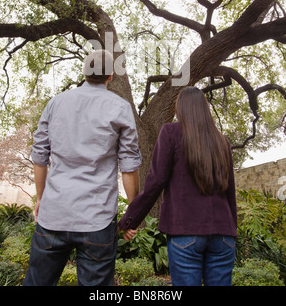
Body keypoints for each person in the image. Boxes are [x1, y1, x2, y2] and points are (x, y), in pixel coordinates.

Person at [23, 49, 141, 286]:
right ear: (110, 76)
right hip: (97, 219)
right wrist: (133, 214)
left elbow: (39, 156)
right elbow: (128, 165)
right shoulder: (120, 107)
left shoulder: (56, 103)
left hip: (53, 213)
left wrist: (40, 198)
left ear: (84, 72)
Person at [119, 87, 237, 286]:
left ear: (180, 108)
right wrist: (232, 227)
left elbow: (156, 182)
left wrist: (131, 220)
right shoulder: (221, 140)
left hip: (186, 232)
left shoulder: (171, 132)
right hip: (223, 236)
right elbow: (230, 192)